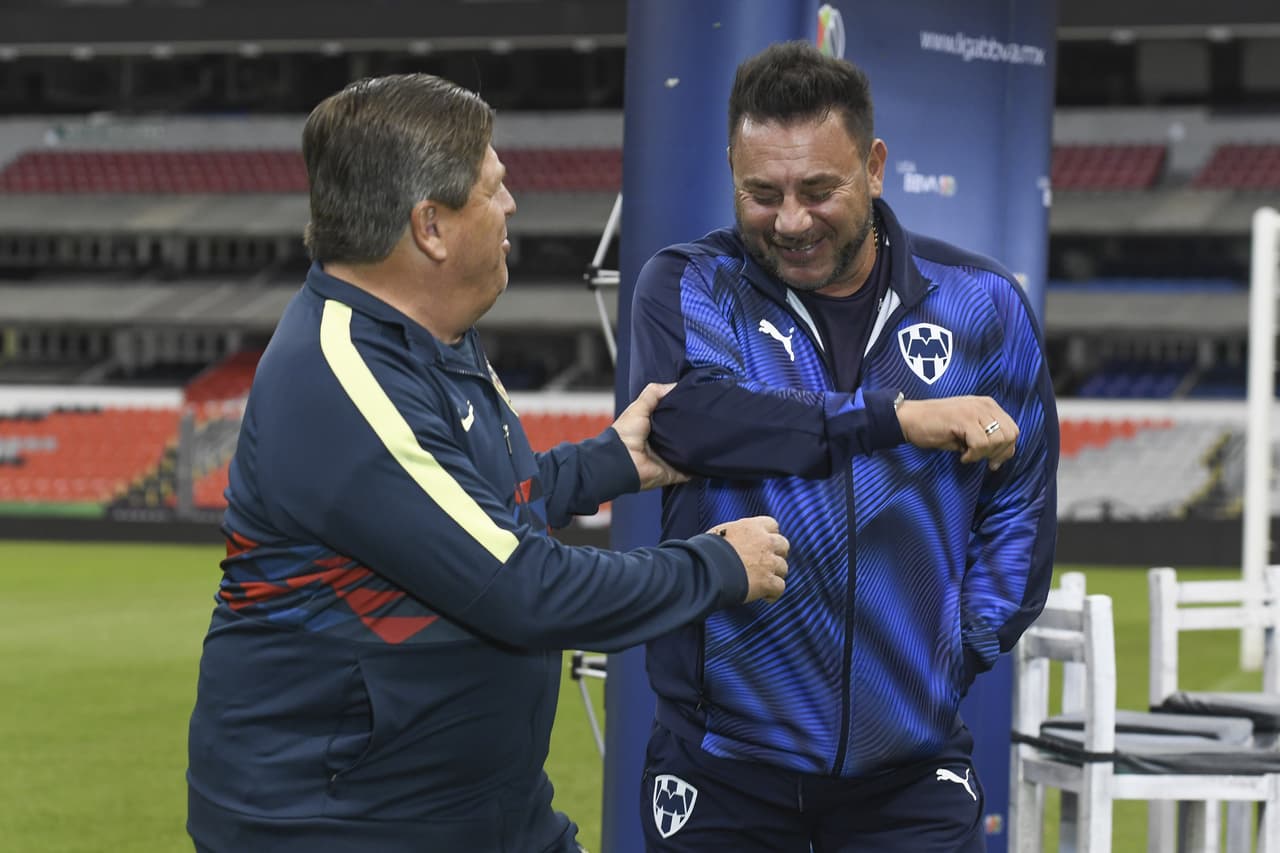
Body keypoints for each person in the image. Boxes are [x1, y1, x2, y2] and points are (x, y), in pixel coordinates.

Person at [185, 73, 791, 853]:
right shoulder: (340, 377)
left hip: (473, 807)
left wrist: (612, 461)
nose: (511, 208)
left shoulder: (428, 338)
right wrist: (717, 565)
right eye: (494, 188)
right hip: (341, 823)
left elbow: (485, 504)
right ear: (430, 227)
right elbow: (524, 587)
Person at [629, 42, 1058, 851]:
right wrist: (893, 417)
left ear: (875, 166)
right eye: (762, 193)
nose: (790, 221)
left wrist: (957, 649)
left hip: (910, 773)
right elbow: (689, 421)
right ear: (731, 170)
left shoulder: (983, 305)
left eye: (818, 189)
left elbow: (1023, 500)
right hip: (722, 765)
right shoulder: (690, 282)